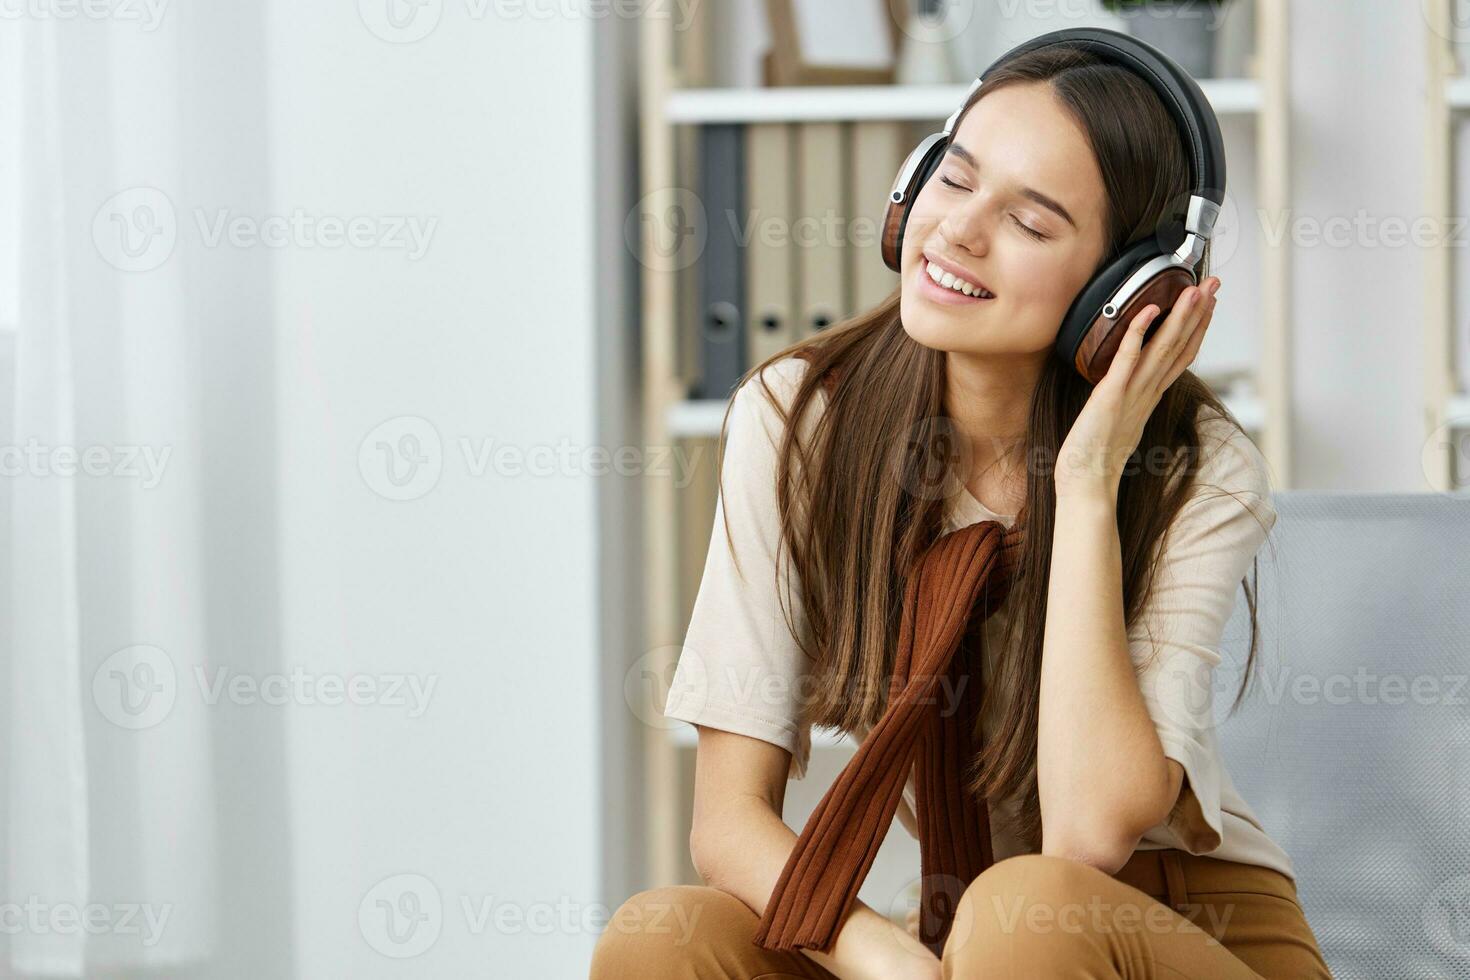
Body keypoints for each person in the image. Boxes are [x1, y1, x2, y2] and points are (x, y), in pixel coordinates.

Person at [593, 42, 1332, 980]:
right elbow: (729, 824)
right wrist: (886, 958)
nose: (958, 233)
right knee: (668, 935)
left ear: (1124, 292)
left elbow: (1086, 832)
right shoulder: (800, 420)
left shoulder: (1197, 466)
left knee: (1024, 911)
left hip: (1178, 930)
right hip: (969, 940)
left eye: (1029, 221)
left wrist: (1088, 482)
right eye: (953, 179)